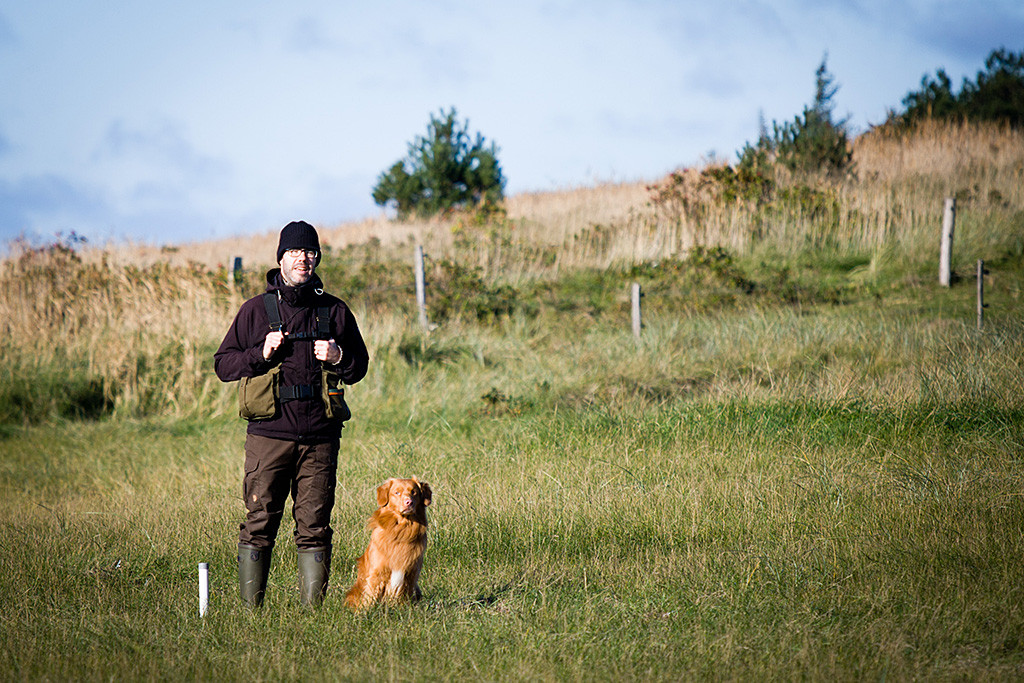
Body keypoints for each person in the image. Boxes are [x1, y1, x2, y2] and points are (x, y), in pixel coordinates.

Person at [214, 220, 369, 607]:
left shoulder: (334, 310)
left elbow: (359, 367)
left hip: (320, 436)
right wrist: (260, 354)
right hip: (269, 436)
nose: (304, 258)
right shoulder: (255, 311)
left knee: (314, 527)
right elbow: (223, 366)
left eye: (311, 252)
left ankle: (311, 617)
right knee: (259, 522)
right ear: (280, 258)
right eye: (296, 252)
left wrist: (339, 357)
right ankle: (252, 614)